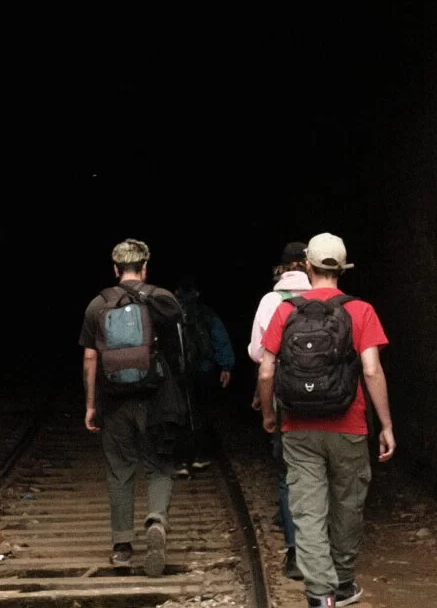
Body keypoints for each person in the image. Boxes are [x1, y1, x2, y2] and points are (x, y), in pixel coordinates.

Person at [255, 232, 394, 608]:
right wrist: (385, 424)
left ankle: (320, 601)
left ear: (308, 267)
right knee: (348, 503)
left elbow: (266, 371)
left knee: (308, 510)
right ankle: (344, 581)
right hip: (348, 425)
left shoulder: (286, 311)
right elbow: (371, 369)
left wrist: (270, 415)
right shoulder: (361, 311)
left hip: (298, 425)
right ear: (343, 268)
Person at [78, 238, 185, 575]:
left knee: (120, 469)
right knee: (161, 464)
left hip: (114, 402)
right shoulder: (163, 300)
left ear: (114, 268)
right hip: (156, 399)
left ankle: (122, 546)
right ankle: (156, 518)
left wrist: (91, 405)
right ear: (145, 267)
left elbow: (90, 359)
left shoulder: (97, 306)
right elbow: (180, 352)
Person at [246, 243, 312, 576]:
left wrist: (265, 406)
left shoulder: (271, 302)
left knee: (288, 473)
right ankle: (323, 548)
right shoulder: (327, 298)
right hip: (328, 397)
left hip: (284, 394)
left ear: (282, 267)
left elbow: (259, 356)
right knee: (321, 471)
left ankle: (295, 554)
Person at [173, 277, 235, 471]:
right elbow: (220, 340)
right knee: (202, 412)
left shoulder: (171, 315)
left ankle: (182, 460)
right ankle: (200, 455)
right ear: (197, 293)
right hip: (204, 370)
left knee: (180, 413)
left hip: (179, 373)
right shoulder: (208, 314)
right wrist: (226, 367)